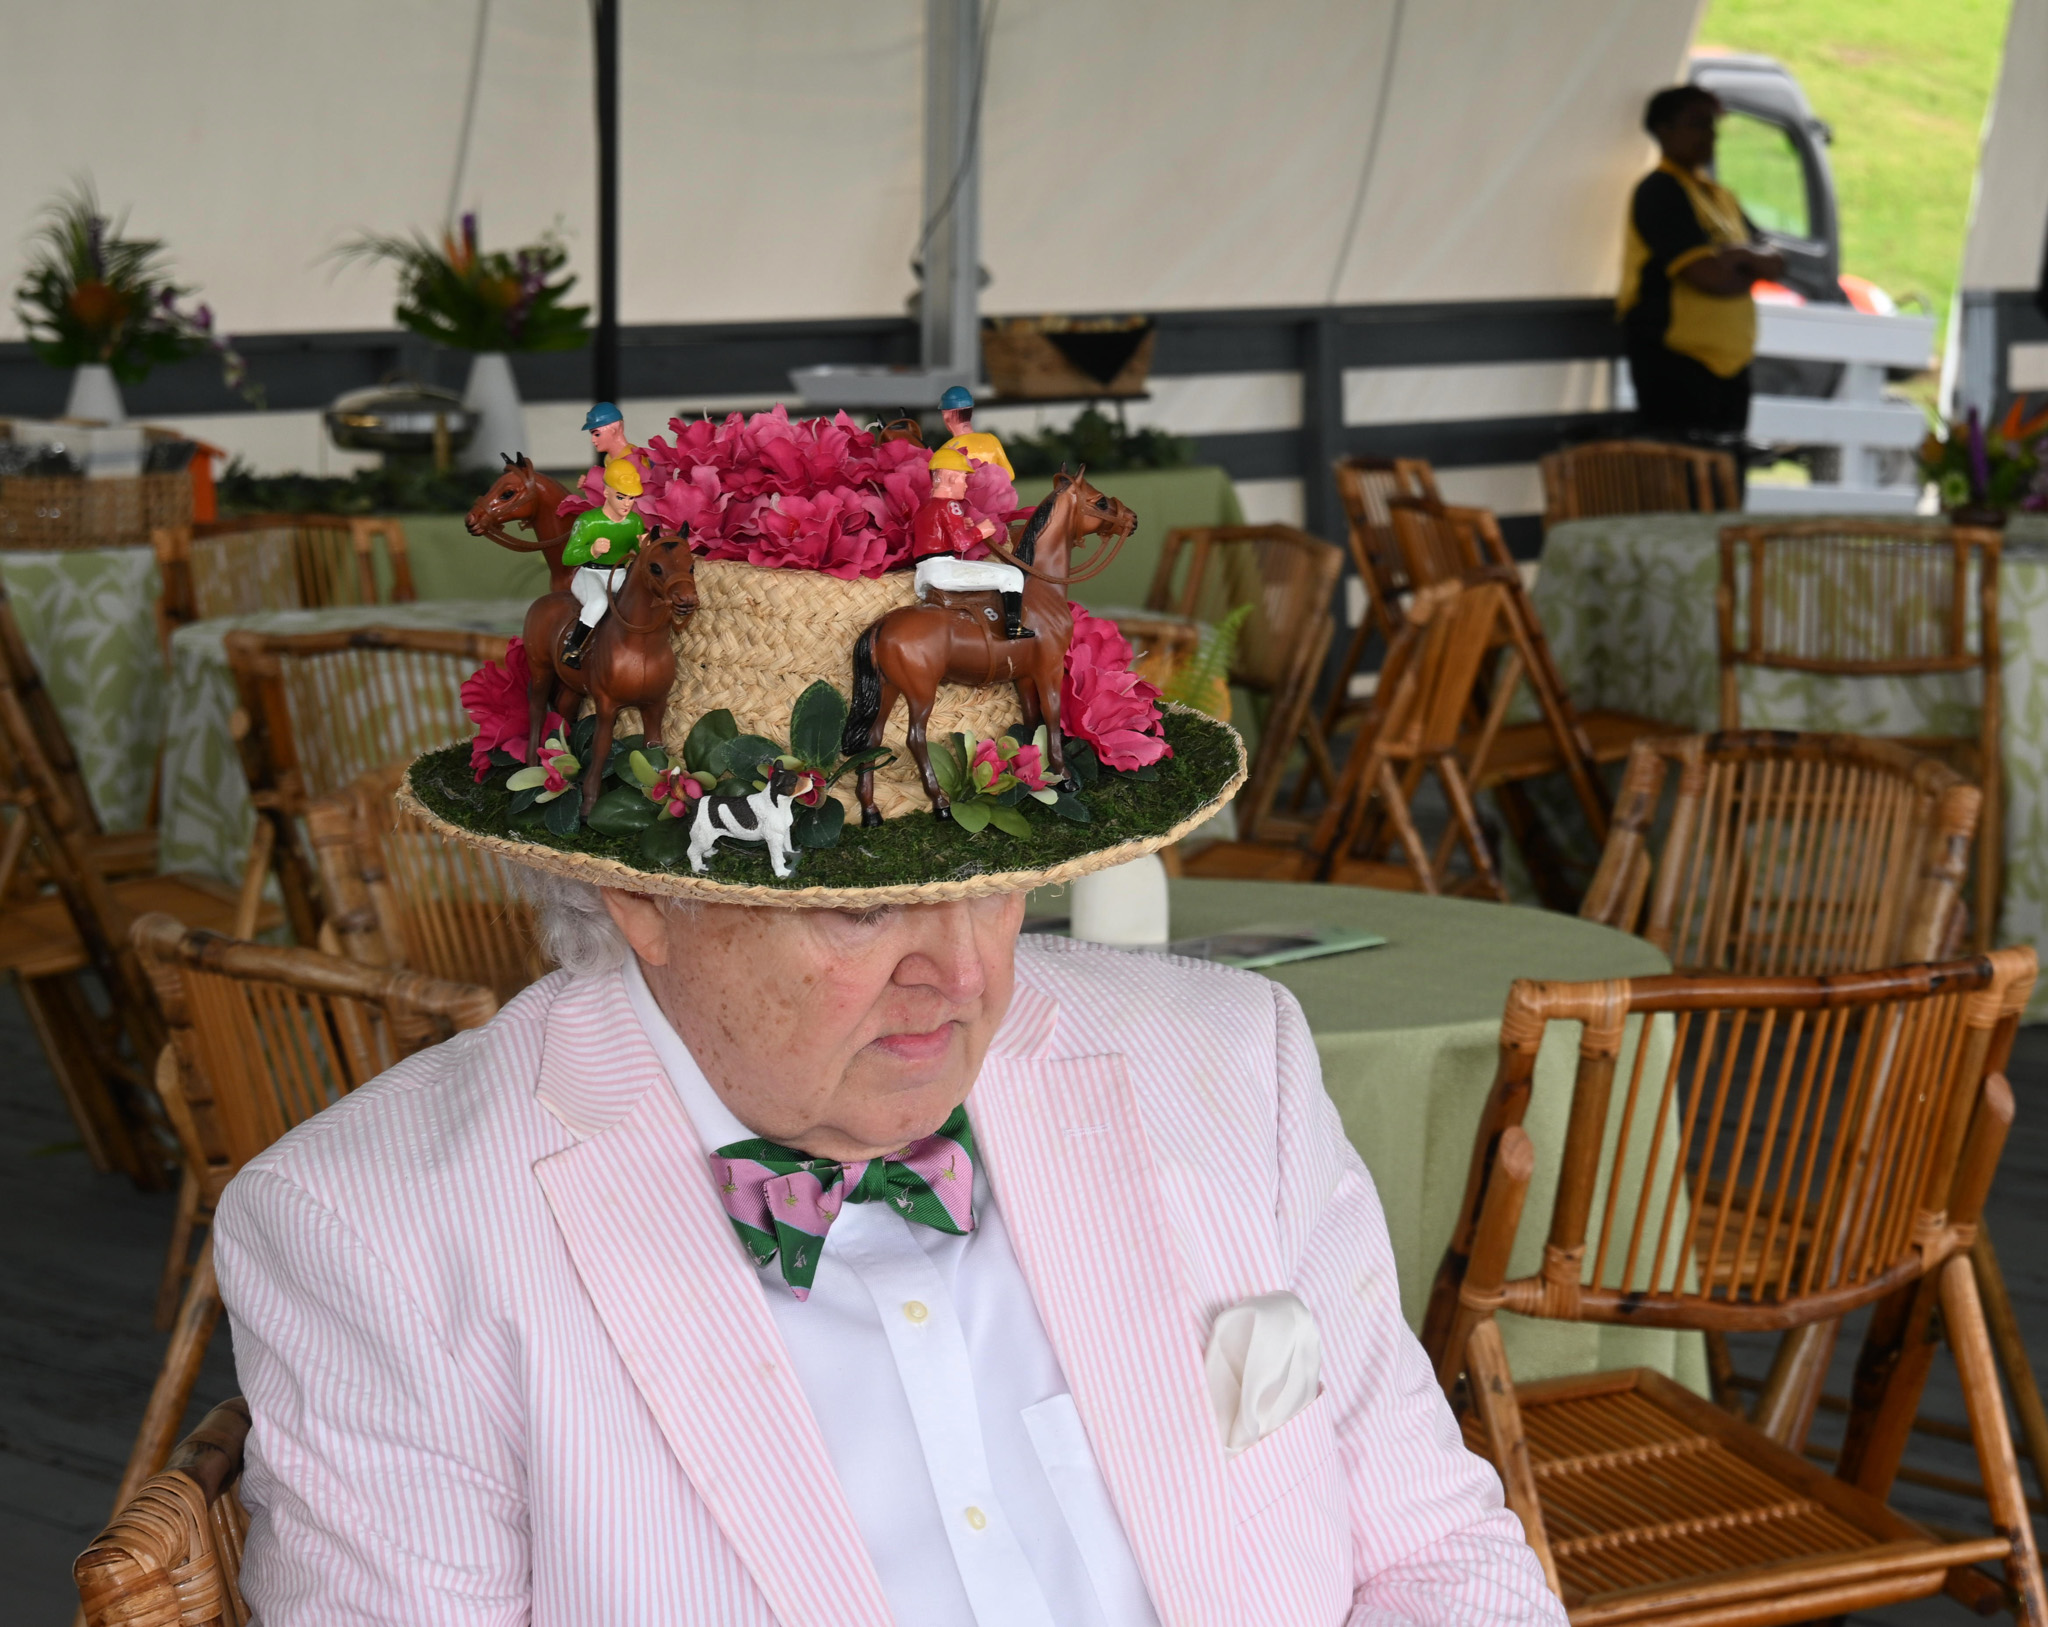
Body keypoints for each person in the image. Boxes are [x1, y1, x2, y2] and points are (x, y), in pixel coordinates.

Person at [210, 630, 1567, 1623]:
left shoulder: (1224, 1062)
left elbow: (1434, 1553)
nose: (962, 975)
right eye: (864, 906)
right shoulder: (382, 1232)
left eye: (994, 881)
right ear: (641, 899)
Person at [1617, 84, 1787, 440]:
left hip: (1730, 364)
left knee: (1727, 469)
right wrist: (1746, 266)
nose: (1710, 135)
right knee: (1684, 470)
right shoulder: (1659, 191)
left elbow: (1776, 260)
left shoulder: (1719, 195)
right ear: (1664, 130)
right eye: (1698, 124)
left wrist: (1739, 258)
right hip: (1676, 364)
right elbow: (1709, 277)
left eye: (1712, 125)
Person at [913, 447, 1033, 639]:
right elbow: (961, 544)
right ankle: (1013, 626)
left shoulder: (926, 506)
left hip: (924, 571)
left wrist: (961, 525)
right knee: (1012, 574)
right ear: (951, 478)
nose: (966, 485)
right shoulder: (950, 505)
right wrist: (981, 531)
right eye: (963, 478)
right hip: (943, 569)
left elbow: (934, 533)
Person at [559, 456, 645, 667]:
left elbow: (638, 552)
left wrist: (645, 546)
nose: (627, 504)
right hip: (590, 573)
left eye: (631, 498)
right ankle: (572, 648)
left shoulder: (634, 521)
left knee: (639, 600)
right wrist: (592, 550)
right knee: (599, 603)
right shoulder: (589, 521)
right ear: (606, 492)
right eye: (621, 497)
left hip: (619, 573)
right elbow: (568, 557)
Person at [937, 383, 1016, 479]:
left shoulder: (946, 451)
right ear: (971, 412)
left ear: (946, 417)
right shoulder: (991, 440)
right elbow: (1009, 475)